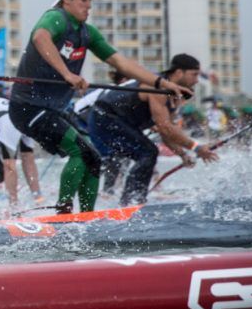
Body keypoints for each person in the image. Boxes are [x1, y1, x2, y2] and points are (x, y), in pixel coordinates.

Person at [8, 0, 189, 213]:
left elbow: (119, 62)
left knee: (92, 157)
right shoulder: (55, 18)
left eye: (90, 1)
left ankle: (87, 217)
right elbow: (40, 38)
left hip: (51, 111)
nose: (88, 6)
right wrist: (67, 74)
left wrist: (162, 83)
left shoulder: (87, 33)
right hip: (27, 107)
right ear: (67, 0)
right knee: (79, 152)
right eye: (83, 0)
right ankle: (63, 212)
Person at [88, 53, 217, 206]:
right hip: (104, 117)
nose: (196, 80)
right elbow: (165, 127)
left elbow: (165, 133)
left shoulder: (173, 95)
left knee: (145, 153)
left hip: (118, 121)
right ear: (178, 72)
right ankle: (131, 202)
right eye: (194, 74)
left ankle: (131, 199)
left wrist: (183, 154)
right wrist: (196, 147)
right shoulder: (157, 86)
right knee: (147, 152)